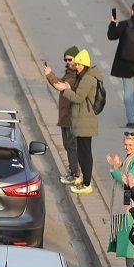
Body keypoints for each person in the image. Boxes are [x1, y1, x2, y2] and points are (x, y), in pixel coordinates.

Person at [40, 49, 101, 195]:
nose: (74, 65)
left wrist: (63, 86)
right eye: (66, 60)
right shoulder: (80, 76)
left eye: (75, 62)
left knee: (83, 152)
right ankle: (78, 177)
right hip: (76, 119)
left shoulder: (85, 78)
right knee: (78, 150)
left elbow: (77, 97)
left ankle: (83, 181)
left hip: (82, 121)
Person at [105, 130, 134, 267]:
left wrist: (114, 170)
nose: (127, 147)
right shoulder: (132, 157)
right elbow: (125, 172)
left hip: (131, 207)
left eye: (130, 145)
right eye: (125, 144)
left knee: (130, 240)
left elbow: (128, 181)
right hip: (127, 205)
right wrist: (117, 165)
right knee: (127, 237)